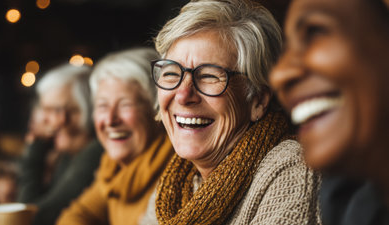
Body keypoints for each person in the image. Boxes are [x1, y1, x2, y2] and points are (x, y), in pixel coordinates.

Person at [140, 0, 321, 224]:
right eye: (171, 73)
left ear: (258, 100)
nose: (183, 95)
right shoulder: (173, 188)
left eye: (209, 76)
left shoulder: (292, 169)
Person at [269, 0, 389, 224]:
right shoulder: (347, 200)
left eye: (315, 32)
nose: (279, 75)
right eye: (288, 49)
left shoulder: (291, 172)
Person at [56, 47, 174, 225]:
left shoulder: (176, 174)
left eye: (125, 105)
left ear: (156, 110)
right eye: (102, 105)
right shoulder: (112, 169)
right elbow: (77, 214)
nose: (110, 120)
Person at [17, 64, 104, 225]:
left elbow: (31, 216)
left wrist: (36, 145)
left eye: (54, 110)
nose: (44, 120)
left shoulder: (95, 153)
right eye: (44, 110)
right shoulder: (69, 155)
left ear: (85, 110)